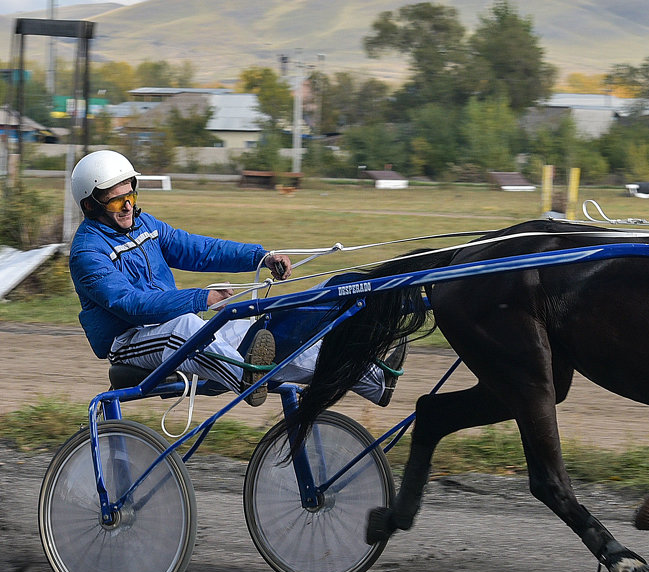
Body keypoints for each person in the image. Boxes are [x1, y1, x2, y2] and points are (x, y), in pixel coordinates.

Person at [68, 149, 404, 407]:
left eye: (131, 197)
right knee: (186, 328)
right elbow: (133, 306)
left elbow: (199, 249)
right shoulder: (88, 253)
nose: (127, 207)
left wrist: (261, 256)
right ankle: (247, 379)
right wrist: (202, 299)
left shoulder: (146, 225)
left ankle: (372, 379)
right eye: (116, 201)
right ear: (90, 206)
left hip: (173, 322)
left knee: (257, 329)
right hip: (132, 343)